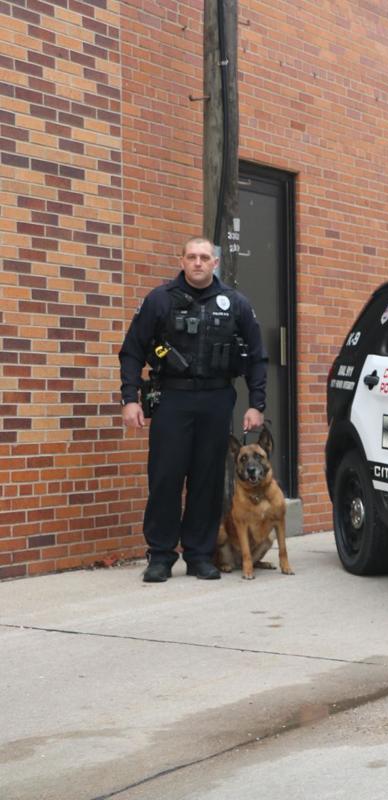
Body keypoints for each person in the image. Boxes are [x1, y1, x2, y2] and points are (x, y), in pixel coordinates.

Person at [119, 236, 268, 582]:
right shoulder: (160, 300)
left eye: (204, 257)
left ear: (215, 263)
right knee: (166, 478)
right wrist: (129, 399)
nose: (198, 262)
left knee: (207, 479)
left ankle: (200, 555)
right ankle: (160, 555)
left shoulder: (236, 303)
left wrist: (257, 404)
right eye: (191, 257)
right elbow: (132, 351)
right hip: (173, 399)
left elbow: (258, 358)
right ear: (182, 260)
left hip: (217, 400)